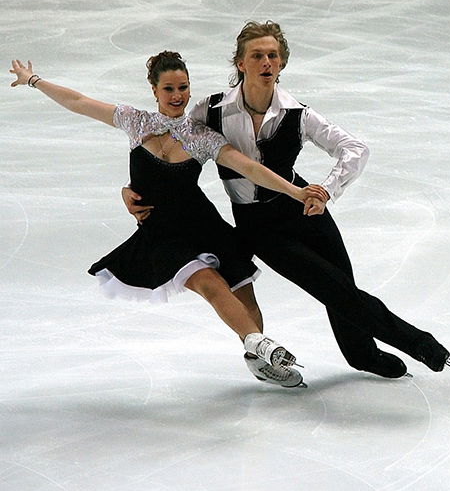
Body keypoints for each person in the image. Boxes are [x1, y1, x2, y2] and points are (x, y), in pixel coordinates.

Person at [123, 22, 450, 380]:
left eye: (273, 56)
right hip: (260, 227)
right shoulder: (211, 111)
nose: (267, 62)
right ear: (240, 63)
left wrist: (327, 189)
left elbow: (355, 148)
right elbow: (171, 148)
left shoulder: (298, 114)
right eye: (257, 56)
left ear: (281, 64)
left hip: (305, 212)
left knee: (343, 288)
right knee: (332, 288)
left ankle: (362, 354)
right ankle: (424, 345)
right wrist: (133, 189)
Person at [9, 52, 326, 388]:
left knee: (245, 300)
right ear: (154, 91)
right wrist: (34, 80)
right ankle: (259, 343)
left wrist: (296, 192)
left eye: (184, 88)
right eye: (169, 88)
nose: (178, 96)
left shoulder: (201, 136)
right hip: (164, 235)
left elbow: (249, 168)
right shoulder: (135, 122)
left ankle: (256, 356)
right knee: (209, 284)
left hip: (205, 226)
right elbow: (78, 101)